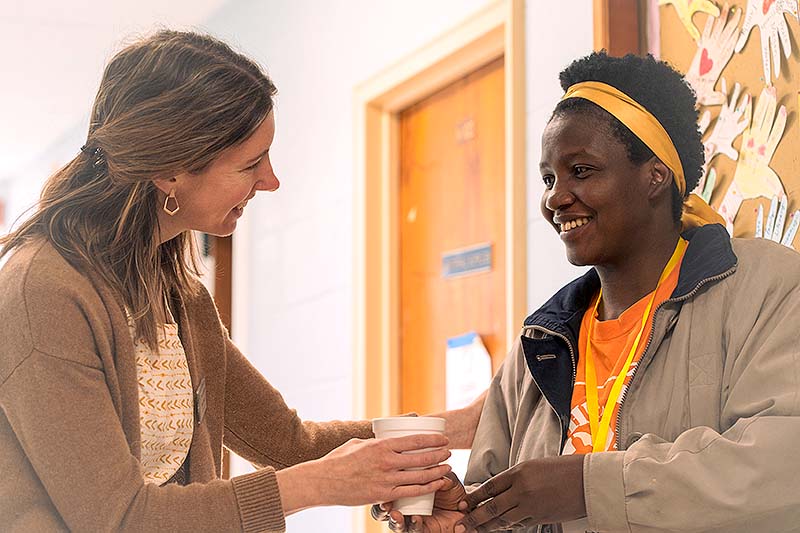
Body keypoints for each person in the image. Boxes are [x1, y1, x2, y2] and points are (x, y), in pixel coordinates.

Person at [0, 30, 485, 532]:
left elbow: (290, 444)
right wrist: (322, 484)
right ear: (170, 170)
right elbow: (119, 519)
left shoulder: (180, 298)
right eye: (251, 163)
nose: (270, 180)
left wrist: (462, 426)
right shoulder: (44, 293)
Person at [384, 51, 800, 532]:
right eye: (548, 178)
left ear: (655, 176)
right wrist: (456, 520)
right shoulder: (540, 345)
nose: (555, 198)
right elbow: (495, 505)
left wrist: (587, 486)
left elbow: (782, 461)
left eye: (580, 171)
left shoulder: (766, 288)